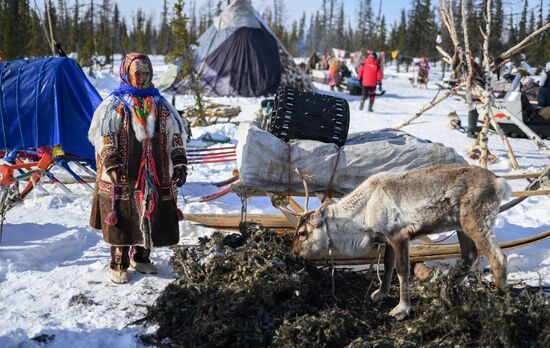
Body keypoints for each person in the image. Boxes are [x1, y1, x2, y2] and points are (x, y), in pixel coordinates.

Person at [88, 53, 188, 284]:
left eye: (146, 73)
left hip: (155, 174)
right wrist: (110, 160)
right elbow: (104, 134)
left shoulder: (161, 105)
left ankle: (141, 255)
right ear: (127, 73)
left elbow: (176, 134)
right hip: (123, 173)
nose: (142, 77)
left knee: (151, 212)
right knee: (123, 215)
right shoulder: (115, 104)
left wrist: (179, 160)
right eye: (137, 73)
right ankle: (119, 261)